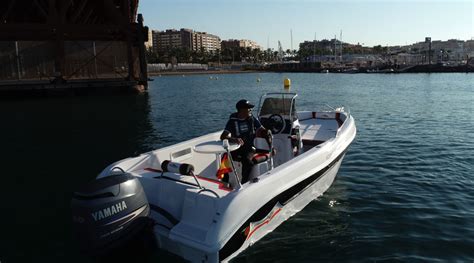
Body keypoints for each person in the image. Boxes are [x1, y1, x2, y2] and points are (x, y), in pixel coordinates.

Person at [220, 99, 267, 184]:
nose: (250, 110)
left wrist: (269, 136)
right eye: (248, 108)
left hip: (250, 148)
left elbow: (263, 131)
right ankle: (225, 181)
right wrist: (234, 139)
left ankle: (244, 183)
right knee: (225, 156)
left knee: (247, 161)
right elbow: (223, 136)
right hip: (236, 147)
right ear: (241, 110)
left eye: (250, 108)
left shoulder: (252, 119)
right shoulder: (232, 121)